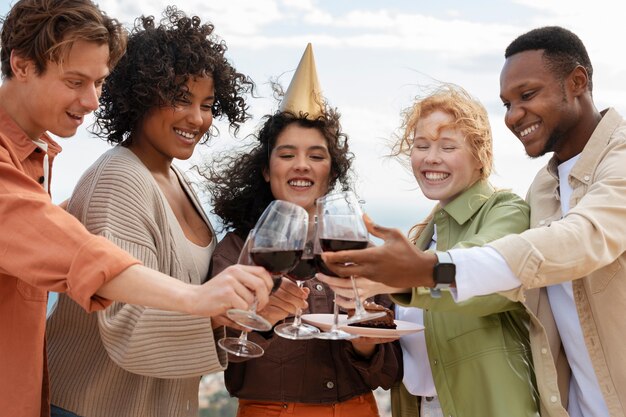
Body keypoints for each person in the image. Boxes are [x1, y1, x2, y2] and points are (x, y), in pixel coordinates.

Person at [323, 26, 626, 416]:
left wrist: (424, 272)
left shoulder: (611, 164)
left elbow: (581, 239)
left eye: (527, 95)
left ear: (578, 82)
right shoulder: (543, 188)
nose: (515, 115)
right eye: (506, 104)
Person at [0, 2, 272, 417]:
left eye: (99, 82)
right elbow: (77, 256)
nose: (91, 100)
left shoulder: (38, 159)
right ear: (21, 65)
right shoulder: (114, 176)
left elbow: (32, 236)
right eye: (75, 80)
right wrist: (199, 301)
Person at [204, 44, 402, 417]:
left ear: (331, 173)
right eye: (287, 154)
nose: (302, 166)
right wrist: (262, 318)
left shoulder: (362, 252)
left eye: (316, 156)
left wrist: (365, 343)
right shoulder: (236, 251)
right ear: (266, 169)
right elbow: (217, 349)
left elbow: (390, 369)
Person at [321, 84, 539, 417]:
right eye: (421, 145)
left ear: (479, 155)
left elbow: (483, 276)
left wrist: (395, 278)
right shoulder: (424, 234)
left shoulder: (506, 211)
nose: (430, 157)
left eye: (447, 146)